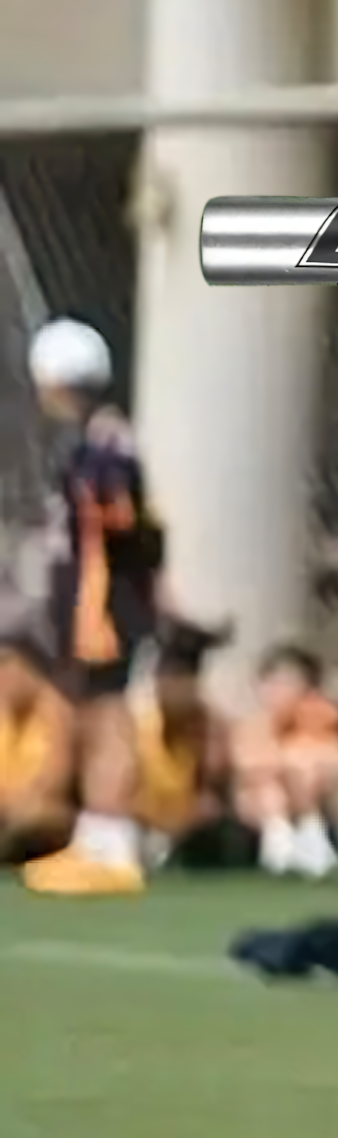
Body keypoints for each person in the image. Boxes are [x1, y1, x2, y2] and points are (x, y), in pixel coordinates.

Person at [25, 316, 161, 888]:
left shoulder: (103, 446)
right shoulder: (90, 442)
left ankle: (111, 842)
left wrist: (95, 603)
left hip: (101, 608)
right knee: (88, 716)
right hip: (91, 605)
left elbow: (119, 523)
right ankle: (93, 835)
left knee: (108, 720)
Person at [136, 618, 253, 872]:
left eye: (186, 680)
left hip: (183, 824)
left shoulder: (209, 723)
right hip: (140, 819)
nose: (179, 691)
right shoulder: (134, 720)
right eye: (170, 678)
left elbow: (213, 785)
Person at [233, 642, 338, 877]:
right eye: (270, 682)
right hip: (262, 808)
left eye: (286, 683)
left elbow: (329, 762)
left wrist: (288, 768)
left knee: (297, 771)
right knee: (269, 792)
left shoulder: (320, 719)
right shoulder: (253, 726)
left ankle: (311, 845)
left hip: (313, 804)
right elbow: (251, 768)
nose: (276, 691)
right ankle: (281, 854)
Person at [0, 626, 77, 866]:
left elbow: (55, 781)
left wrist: (17, 804)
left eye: (6, 668)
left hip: (39, 810)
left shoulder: (58, 711)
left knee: (40, 816)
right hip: (6, 809)